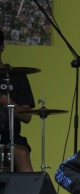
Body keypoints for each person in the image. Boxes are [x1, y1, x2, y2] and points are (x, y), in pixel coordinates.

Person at [0, 30, 35, 172]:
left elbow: (27, 117)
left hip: (10, 138)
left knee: (22, 153)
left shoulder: (16, 76)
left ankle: (30, 187)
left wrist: (10, 103)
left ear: (2, 47)